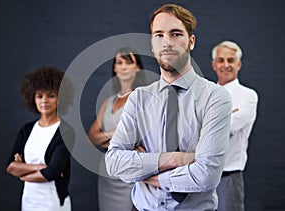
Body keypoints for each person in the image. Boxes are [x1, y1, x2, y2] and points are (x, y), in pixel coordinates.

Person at [105, 4, 232, 211]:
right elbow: (114, 162)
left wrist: (148, 171)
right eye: (159, 35)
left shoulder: (215, 98)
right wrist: (176, 159)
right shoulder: (139, 98)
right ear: (152, 44)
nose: (167, 43)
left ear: (191, 42)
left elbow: (207, 175)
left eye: (175, 34)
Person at [6, 66, 74, 211]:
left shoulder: (66, 132)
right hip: (28, 199)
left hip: (53, 201)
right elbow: (11, 167)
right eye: (39, 96)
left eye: (51, 95)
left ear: (60, 98)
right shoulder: (27, 130)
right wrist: (40, 168)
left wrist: (22, 173)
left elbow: (50, 174)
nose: (44, 101)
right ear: (33, 98)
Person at [88, 47, 147, 211]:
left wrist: (107, 139)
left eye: (128, 62)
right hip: (106, 171)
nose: (123, 66)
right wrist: (117, 135)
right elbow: (92, 136)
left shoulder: (141, 99)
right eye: (119, 62)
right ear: (114, 68)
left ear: (137, 68)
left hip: (129, 170)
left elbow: (139, 137)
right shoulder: (108, 101)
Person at [211, 41, 258, 211]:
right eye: (221, 60)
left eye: (230, 60)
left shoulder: (248, 96)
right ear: (214, 65)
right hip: (201, 178)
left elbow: (229, 128)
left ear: (239, 64)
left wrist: (207, 121)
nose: (226, 65)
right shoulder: (204, 95)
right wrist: (225, 116)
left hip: (228, 179)